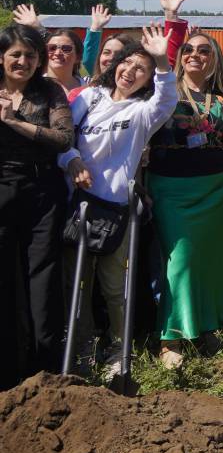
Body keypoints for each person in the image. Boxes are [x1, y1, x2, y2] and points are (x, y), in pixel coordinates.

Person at [58, 27, 179, 373]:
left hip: (115, 210)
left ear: (146, 80)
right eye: (127, 63)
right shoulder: (89, 97)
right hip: (77, 205)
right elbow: (64, 140)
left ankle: (118, 348)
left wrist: (161, 61)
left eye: (140, 69)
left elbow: (167, 99)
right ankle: (82, 348)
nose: (130, 71)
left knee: (114, 287)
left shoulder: (144, 112)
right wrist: (72, 161)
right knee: (78, 286)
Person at [146, 30, 223, 366]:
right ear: (180, 55)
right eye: (189, 49)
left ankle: (206, 326)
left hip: (214, 188)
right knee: (180, 262)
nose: (196, 55)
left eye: (204, 51)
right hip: (170, 187)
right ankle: (171, 337)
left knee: (209, 263)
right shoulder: (165, 92)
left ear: (213, 59)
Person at [0, 24, 73, 387]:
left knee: (43, 277)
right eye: (15, 54)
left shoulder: (49, 91)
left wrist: (15, 122)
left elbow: (63, 139)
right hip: (1, 187)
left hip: (43, 190)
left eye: (30, 55)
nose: (23, 61)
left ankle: (43, 370)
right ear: (2, 57)